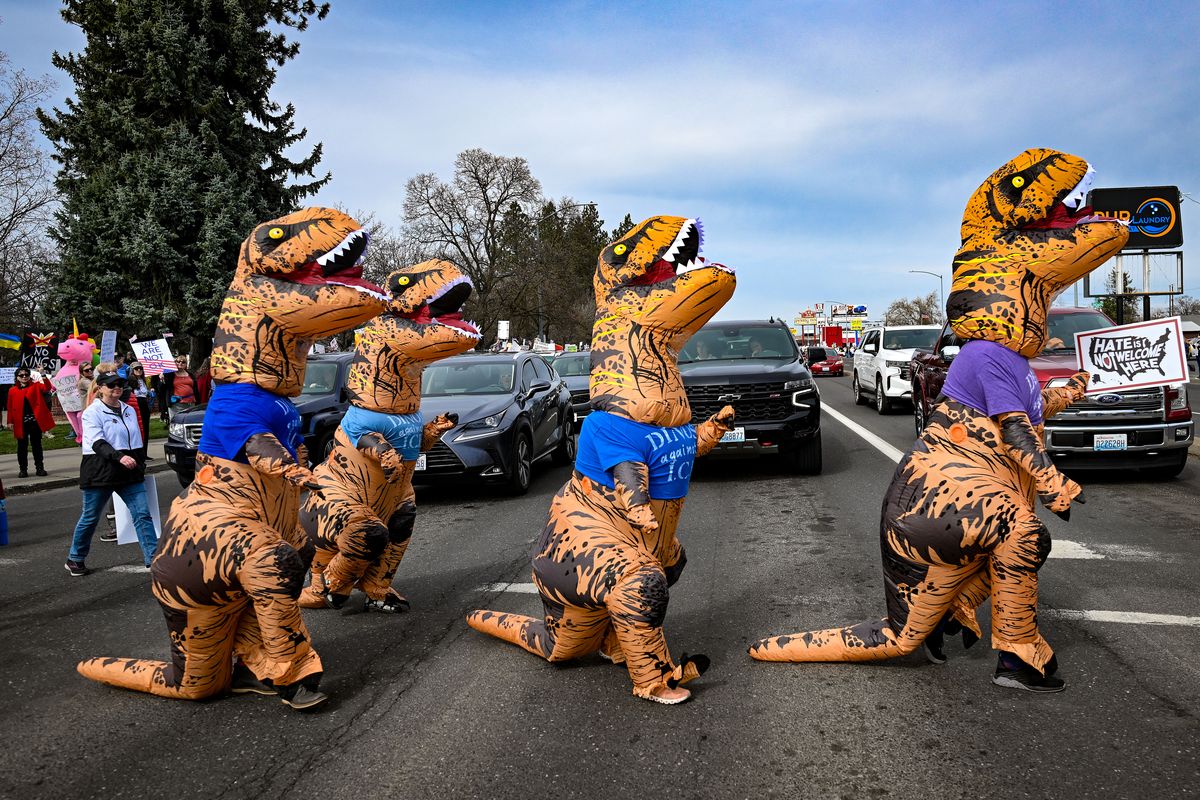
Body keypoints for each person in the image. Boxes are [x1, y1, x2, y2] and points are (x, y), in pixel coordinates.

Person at [65, 369, 158, 576]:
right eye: (111, 385)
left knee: (142, 514)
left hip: (129, 471)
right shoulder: (92, 412)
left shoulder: (128, 409)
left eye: (120, 384)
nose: (117, 388)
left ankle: (153, 559)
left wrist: (139, 461)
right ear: (100, 389)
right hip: (101, 469)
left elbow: (136, 439)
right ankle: (75, 557)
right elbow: (97, 442)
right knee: (90, 517)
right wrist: (119, 457)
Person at [5, 368, 55, 477]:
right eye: (21, 375)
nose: (24, 377)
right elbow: (10, 407)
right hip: (20, 422)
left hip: (35, 421)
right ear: (17, 377)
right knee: (22, 447)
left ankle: (40, 468)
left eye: (26, 374)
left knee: (36, 445)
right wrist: (9, 421)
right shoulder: (12, 390)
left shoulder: (36, 386)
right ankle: (23, 469)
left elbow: (47, 387)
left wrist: (43, 374)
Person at [126, 361, 153, 459]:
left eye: (140, 368)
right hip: (136, 404)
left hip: (144, 404)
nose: (139, 370)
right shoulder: (130, 380)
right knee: (137, 428)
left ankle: (144, 453)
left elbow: (144, 392)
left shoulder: (143, 380)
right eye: (136, 369)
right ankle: (138, 453)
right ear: (132, 370)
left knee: (145, 428)